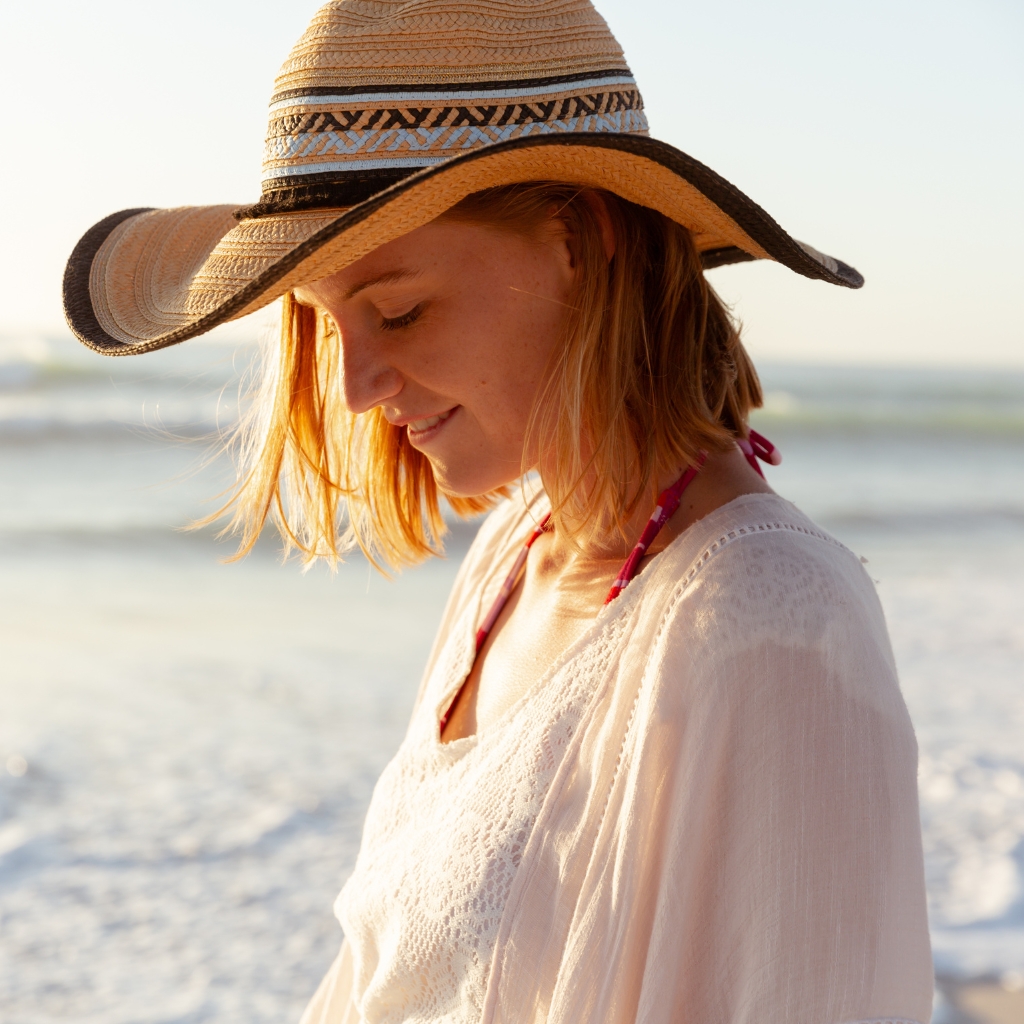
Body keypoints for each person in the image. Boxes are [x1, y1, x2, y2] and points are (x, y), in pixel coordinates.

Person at [63, 2, 933, 1022]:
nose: (353, 387)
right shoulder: (518, 551)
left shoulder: (770, 618)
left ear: (583, 236)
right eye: (325, 321)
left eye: (396, 310)